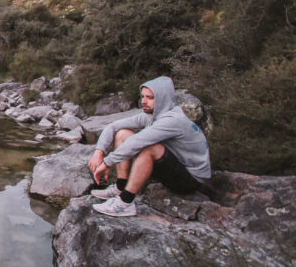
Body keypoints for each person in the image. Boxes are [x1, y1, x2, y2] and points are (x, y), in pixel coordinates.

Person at [86, 76, 212, 217]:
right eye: (143, 97)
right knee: (122, 134)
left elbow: (137, 142)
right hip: (176, 167)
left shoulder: (172, 121)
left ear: (163, 99)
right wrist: (99, 152)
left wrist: (106, 163)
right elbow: (113, 126)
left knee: (149, 148)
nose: (143, 101)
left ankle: (125, 203)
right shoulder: (152, 116)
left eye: (150, 98)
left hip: (192, 180)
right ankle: (121, 187)